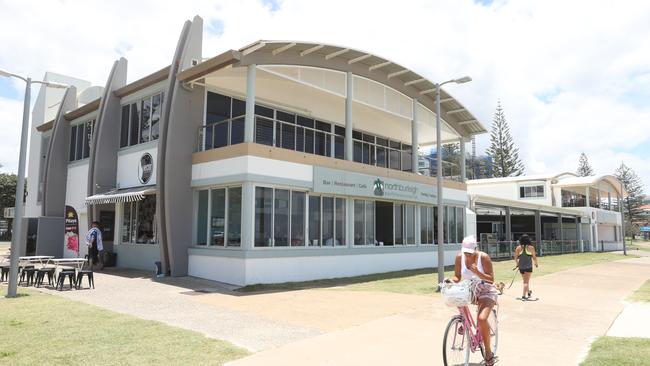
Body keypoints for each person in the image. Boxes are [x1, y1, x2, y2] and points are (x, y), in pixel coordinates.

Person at [451, 235, 499, 366]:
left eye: (470, 253)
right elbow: (457, 276)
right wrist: (451, 281)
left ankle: (488, 352)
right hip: (470, 290)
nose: (467, 255)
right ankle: (464, 323)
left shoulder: (483, 257)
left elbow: (491, 279)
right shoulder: (459, 257)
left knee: (482, 319)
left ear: (476, 249)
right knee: (454, 296)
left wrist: (478, 272)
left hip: (486, 290)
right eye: (465, 252)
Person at [514, 234, 538, 300]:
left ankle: (528, 293)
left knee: (525, 281)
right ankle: (523, 296)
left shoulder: (518, 248)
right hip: (528, 266)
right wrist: (536, 264)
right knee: (526, 282)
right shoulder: (531, 247)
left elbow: (515, 258)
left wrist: (517, 264)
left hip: (521, 267)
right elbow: (534, 257)